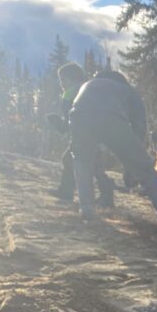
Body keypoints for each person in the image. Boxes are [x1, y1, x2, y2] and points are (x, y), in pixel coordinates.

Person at [69, 70, 157, 232]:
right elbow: (139, 128)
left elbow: (73, 109)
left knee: (82, 161)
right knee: (146, 171)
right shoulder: (128, 90)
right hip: (112, 119)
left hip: (79, 117)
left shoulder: (87, 85)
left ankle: (87, 209)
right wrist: (134, 165)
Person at [47, 63, 116, 207]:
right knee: (75, 161)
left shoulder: (74, 93)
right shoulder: (87, 89)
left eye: (63, 80)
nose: (62, 84)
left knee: (88, 165)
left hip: (87, 137)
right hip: (94, 135)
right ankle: (102, 194)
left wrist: (59, 123)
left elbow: (71, 121)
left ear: (72, 79)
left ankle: (102, 195)